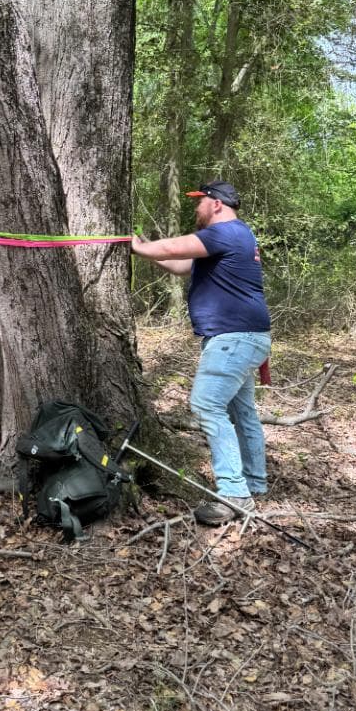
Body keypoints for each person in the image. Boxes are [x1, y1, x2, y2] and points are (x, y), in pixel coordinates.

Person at [131, 180, 271, 526]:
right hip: (245, 337)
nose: (196, 208)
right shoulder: (235, 239)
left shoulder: (227, 232)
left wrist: (141, 248)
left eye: (200, 202)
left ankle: (235, 493)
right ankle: (254, 482)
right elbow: (181, 264)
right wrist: (148, 248)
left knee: (207, 405)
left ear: (217, 204)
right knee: (242, 411)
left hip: (232, 339)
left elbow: (174, 248)